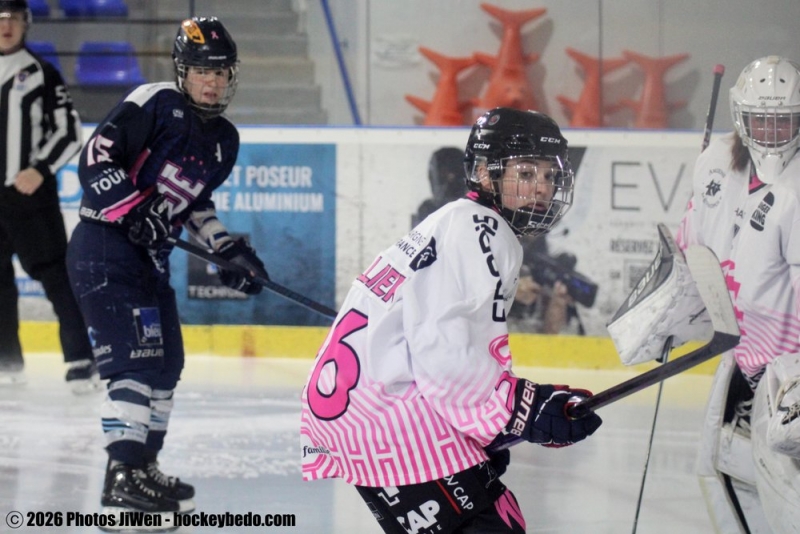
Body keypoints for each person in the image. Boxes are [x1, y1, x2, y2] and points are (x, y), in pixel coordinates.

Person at [300, 107, 602, 533]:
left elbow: (442, 346)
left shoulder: (460, 220)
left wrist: (493, 424)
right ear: (483, 171)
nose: (542, 189)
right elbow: (443, 351)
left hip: (363, 413)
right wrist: (520, 408)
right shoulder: (483, 229)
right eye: (526, 172)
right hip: (387, 419)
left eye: (549, 177)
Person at [65, 16, 269, 522]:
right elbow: (94, 162)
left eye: (221, 72)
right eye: (202, 70)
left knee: (164, 364)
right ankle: (122, 474)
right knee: (135, 363)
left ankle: (144, 465)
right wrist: (135, 209)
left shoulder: (224, 139)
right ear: (182, 71)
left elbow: (194, 206)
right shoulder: (155, 101)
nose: (212, 81)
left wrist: (229, 251)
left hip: (147, 258)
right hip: (104, 246)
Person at [676, 55, 800, 533]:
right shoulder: (716, 164)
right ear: (739, 115)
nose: (771, 133)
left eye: (783, 120)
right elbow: (696, 250)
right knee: (722, 476)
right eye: (760, 120)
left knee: (786, 497)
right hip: (742, 367)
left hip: (788, 375)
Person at [0, 0, 98, 392]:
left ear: (26, 23)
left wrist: (38, 170)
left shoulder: (42, 73)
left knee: (57, 277)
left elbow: (69, 131)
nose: (5, 25)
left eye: (12, 18)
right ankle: (7, 363)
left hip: (29, 199)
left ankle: (80, 362)